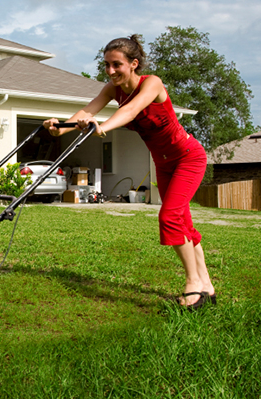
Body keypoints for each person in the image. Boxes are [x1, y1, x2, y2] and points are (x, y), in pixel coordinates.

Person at [43, 35, 215, 310]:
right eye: (107, 66)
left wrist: (104, 127)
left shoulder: (152, 83)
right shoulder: (113, 90)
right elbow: (87, 111)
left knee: (170, 216)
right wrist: (59, 127)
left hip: (188, 157)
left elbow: (133, 110)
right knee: (183, 222)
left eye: (116, 65)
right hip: (164, 162)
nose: (110, 72)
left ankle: (193, 284)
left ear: (133, 64)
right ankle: (207, 285)